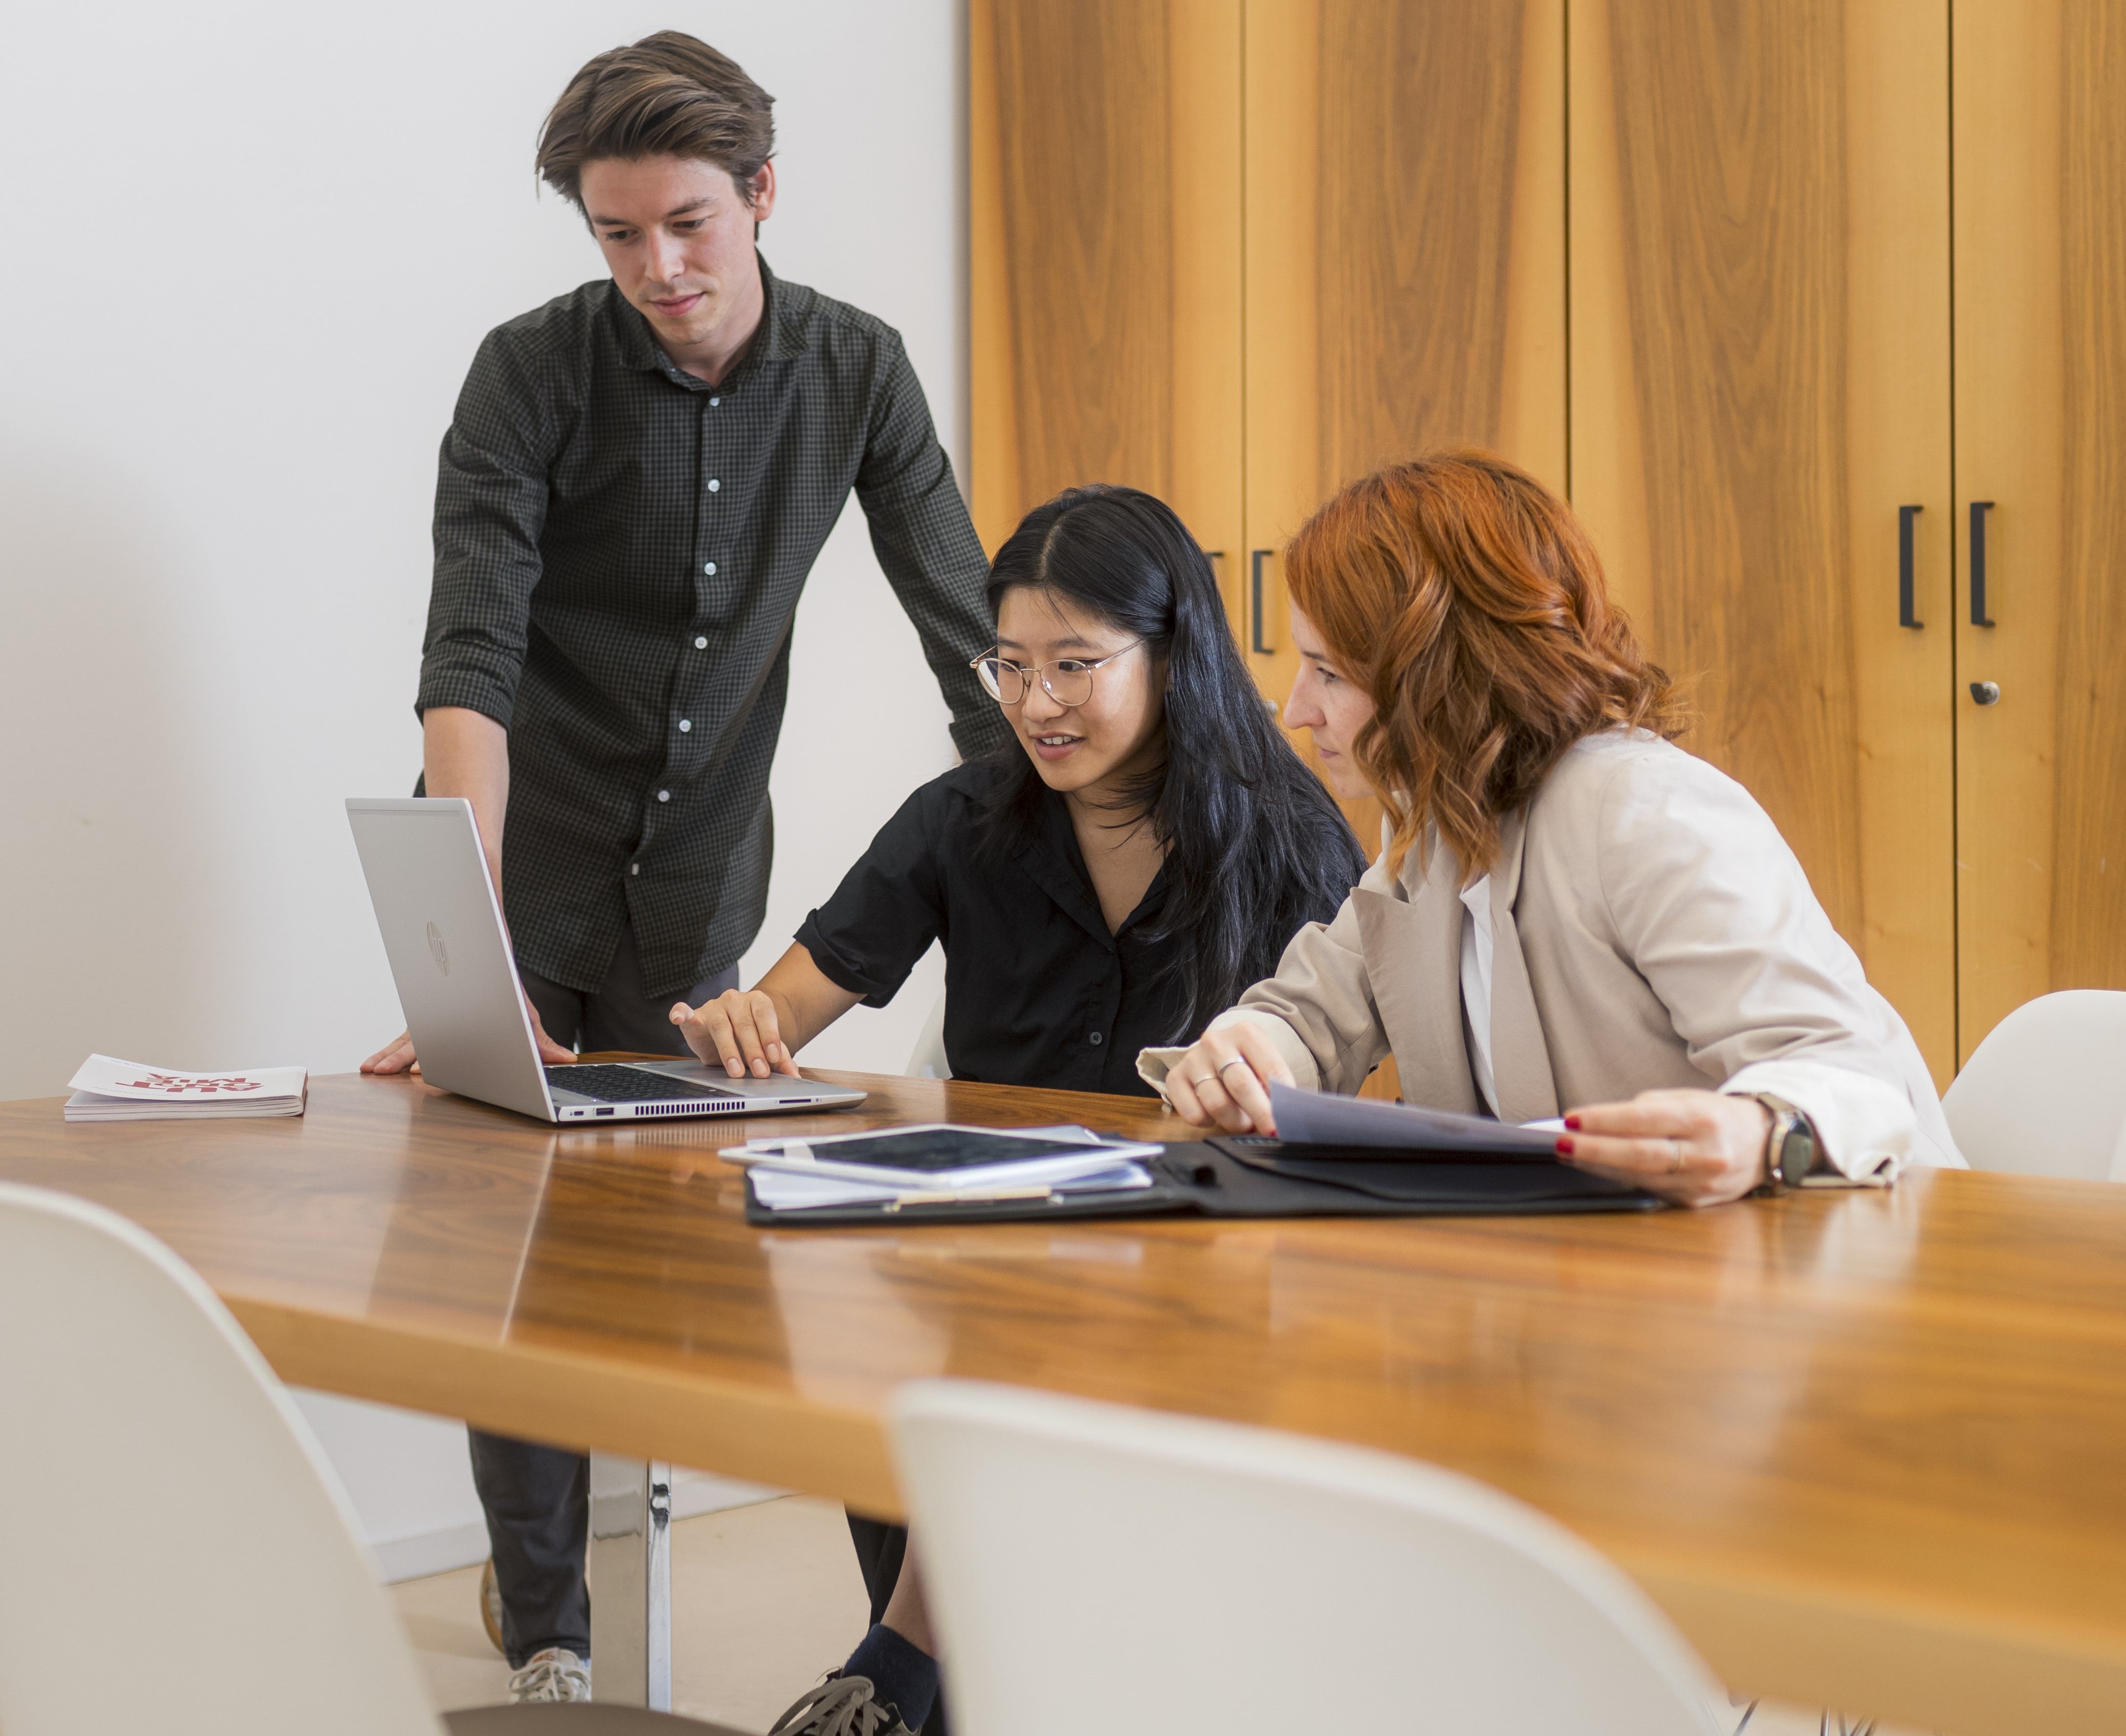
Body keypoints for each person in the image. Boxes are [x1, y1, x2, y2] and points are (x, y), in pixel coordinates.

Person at [358, 32, 1012, 1704]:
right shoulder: (527, 375)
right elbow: (470, 659)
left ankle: (835, 1642)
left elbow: (971, 638)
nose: (657, 269)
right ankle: (550, 1637)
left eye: (689, 227)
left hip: (705, 882)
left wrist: (1040, 844)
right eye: (616, 235)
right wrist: (469, 949)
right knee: (513, 1259)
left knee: (689, 1250)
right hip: (528, 856)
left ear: (762, 196)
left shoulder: (856, 374)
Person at [676, 484, 1366, 1736]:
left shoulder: (1287, 839)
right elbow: (785, 1010)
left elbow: (1338, 1077)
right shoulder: (963, 819)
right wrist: (741, 1027)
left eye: (1073, 665)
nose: (1035, 703)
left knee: (985, 1368)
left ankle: (897, 1667)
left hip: (1203, 1275)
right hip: (987, 1254)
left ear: (1171, 653)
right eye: (1010, 665)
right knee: (899, 1341)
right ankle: (918, 1676)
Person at [1146, 449, 1964, 1196]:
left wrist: (1761, 1130)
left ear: (1438, 671)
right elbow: (1310, 1015)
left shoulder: (1642, 812)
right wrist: (1248, 1048)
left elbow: (1847, 1069)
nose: (1294, 710)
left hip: (1847, 1278)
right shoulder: (1432, 839)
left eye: (1326, 671)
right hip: (1619, 1291)